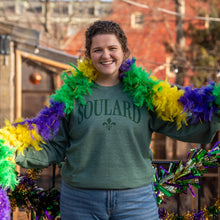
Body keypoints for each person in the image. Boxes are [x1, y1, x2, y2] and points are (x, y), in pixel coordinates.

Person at [15, 20, 220, 220]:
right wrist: (13, 151)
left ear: (124, 52)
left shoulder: (145, 93)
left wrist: (216, 110)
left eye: (112, 48)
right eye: (98, 50)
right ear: (88, 55)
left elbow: (182, 126)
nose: (106, 55)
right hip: (80, 200)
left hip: (136, 200)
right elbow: (55, 146)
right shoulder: (71, 96)